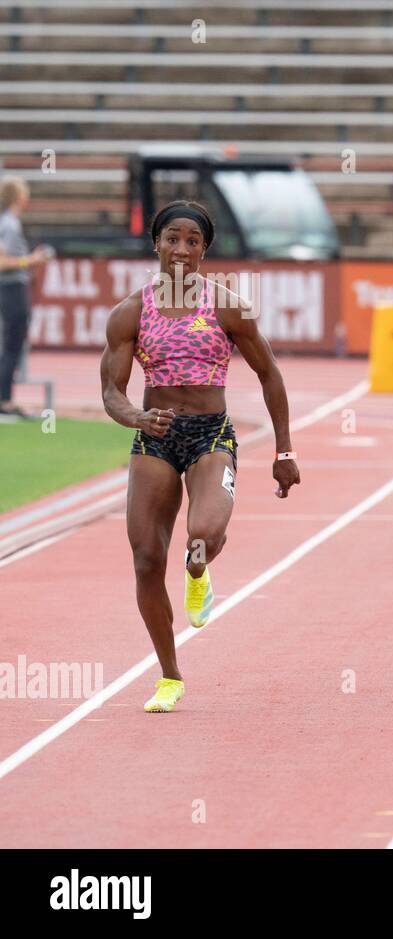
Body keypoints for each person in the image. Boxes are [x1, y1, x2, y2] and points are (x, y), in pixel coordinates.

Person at [100, 200, 301, 712]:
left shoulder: (227, 306)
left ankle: (199, 567)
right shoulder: (130, 313)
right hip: (155, 437)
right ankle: (169, 676)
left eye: (193, 241)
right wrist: (136, 418)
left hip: (211, 436)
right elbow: (112, 392)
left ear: (204, 250)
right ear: (157, 243)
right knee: (146, 558)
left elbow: (270, 374)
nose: (182, 249)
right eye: (173, 238)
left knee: (203, 535)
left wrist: (284, 449)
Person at [0, 176, 54, 417]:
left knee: (10, 345)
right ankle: (5, 401)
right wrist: (32, 259)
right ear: (19, 198)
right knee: (12, 345)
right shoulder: (9, 225)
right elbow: (2, 262)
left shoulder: (7, 223)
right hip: (11, 289)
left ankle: (5, 399)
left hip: (10, 288)